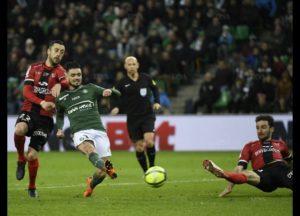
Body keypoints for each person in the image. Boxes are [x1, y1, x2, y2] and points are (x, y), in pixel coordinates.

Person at [55, 61, 120, 197]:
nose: (77, 77)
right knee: (90, 150)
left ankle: (91, 184)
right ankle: (108, 168)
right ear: (66, 76)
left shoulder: (91, 88)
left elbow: (118, 93)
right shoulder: (62, 98)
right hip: (80, 132)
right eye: (73, 75)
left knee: (101, 173)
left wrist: (111, 91)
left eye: (79, 74)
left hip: (99, 131)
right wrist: (59, 129)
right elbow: (59, 116)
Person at [14, 40, 69, 197]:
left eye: (62, 52)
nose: (59, 54)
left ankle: (31, 186)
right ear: (48, 51)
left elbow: (66, 81)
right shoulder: (34, 68)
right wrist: (42, 102)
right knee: (19, 129)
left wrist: (61, 85)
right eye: (56, 50)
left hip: (45, 119)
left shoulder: (60, 71)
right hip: (30, 110)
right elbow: (26, 91)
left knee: (32, 155)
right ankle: (20, 159)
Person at [203, 115, 293, 197]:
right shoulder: (250, 146)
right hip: (263, 175)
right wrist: (229, 187)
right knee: (246, 173)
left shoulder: (280, 144)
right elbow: (239, 168)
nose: (260, 131)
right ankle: (223, 174)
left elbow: (290, 161)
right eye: (257, 128)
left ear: (272, 129)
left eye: (263, 127)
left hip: (282, 171)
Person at [110, 56, 161, 173]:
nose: (131, 66)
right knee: (139, 147)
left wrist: (157, 101)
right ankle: (146, 172)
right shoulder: (121, 83)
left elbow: (155, 88)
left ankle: (152, 167)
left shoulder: (146, 78)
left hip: (147, 115)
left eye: (133, 64)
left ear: (137, 65)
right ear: (125, 66)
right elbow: (114, 96)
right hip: (133, 118)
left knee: (149, 141)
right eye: (129, 64)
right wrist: (115, 107)